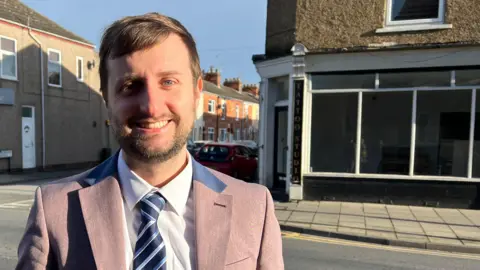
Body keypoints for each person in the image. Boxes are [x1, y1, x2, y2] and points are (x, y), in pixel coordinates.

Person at [16, 12, 284, 270]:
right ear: (107, 99)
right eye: (130, 86)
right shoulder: (54, 207)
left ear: (196, 92)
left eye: (168, 81)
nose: (151, 107)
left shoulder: (254, 206)